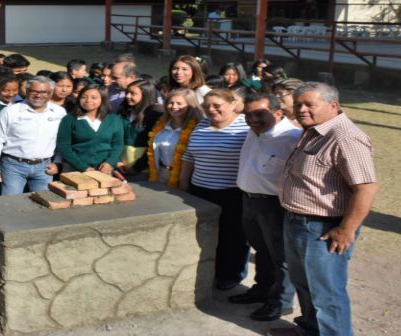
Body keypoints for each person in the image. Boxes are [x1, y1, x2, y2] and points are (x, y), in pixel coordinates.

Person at [268, 82, 378, 336]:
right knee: (304, 284)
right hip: (298, 221)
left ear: (333, 106)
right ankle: (309, 330)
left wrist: (346, 230)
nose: (302, 110)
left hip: (323, 227)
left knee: (327, 292)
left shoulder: (345, 137)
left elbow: (366, 188)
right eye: (298, 105)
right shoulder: (314, 129)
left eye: (309, 105)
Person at [232, 93, 302, 322]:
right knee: (261, 250)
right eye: (248, 114)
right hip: (249, 200)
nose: (252, 119)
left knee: (281, 256)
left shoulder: (292, 138)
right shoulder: (255, 132)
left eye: (260, 113)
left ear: (278, 112)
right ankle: (262, 290)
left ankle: (280, 303)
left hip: (274, 205)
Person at [179, 89, 251, 291]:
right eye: (207, 106)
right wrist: (184, 182)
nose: (211, 110)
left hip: (232, 192)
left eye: (217, 105)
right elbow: (189, 155)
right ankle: (208, 271)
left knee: (232, 236)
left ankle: (230, 275)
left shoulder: (245, 125)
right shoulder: (202, 124)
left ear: (232, 104)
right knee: (205, 235)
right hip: (200, 189)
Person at [0, 76, 66, 195]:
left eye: (43, 92)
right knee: (11, 203)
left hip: (45, 167)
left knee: (42, 202)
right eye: (34, 91)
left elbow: (61, 140)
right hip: (13, 166)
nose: (38, 95)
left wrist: (58, 163)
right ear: (27, 91)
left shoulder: (59, 112)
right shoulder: (10, 112)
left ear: (50, 93)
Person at [55, 85, 124, 174]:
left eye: (94, 97)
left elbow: (117, 144)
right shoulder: (69, 119)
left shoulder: (114, 119)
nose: (88, 100)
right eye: (84, 97)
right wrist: (83, 167)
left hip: (103, 169)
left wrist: (109, 163)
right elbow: (63, 146)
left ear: (102, 99)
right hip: (74, 169)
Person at [118, 79, 164, 177]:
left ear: (145, 95)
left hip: (143, 169)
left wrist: (136, 168)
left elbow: (153, 146)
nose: (127, 96)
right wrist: (116, 161)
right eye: (127, 92)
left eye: (132, 93)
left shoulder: (154, 116)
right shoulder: (122, 113)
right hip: (120, 165)